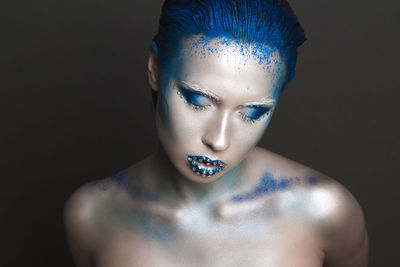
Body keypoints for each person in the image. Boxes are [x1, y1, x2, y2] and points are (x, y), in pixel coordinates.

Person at [64, 0, 369, 266]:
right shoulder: (92, 215)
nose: (219, 140)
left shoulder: (323, 210)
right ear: (155, 68)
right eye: (198, 101)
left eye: (252, 113)